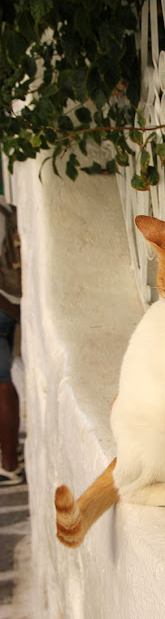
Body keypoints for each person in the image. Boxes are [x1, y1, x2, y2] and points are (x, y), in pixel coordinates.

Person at [0, 205, 23, 486]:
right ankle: (10, 452)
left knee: (2, 385)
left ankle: (9, 464)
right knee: (6, 383)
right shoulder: (6, 210)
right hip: (9, 306)